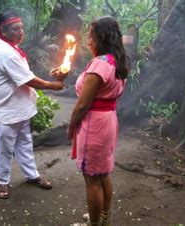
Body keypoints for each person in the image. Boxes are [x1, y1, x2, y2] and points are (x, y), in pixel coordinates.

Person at [0, 10, 67, 199]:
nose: (21, 32)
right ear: (3, 31)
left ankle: (32, 175)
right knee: (4, 148)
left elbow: (24, 74)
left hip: (20, 108)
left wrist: (53, 73)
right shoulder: (5, 52)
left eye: (22, 28)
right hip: (5, 110)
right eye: (16, 29)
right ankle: (2, 182)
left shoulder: (12, 47)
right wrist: (52, 86)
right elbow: (27, 80)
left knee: (25, 144)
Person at [67, 16, 130, 225]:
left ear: (101, 37)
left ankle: (94, 224)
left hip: (94, 123)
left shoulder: (99, 65)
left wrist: (71, 124)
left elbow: (83, 104)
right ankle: (103, 218)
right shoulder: (116, 59)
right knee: (103, 172)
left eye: (90, 36)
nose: (88, 41)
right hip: (108, 120)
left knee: (92, 178)